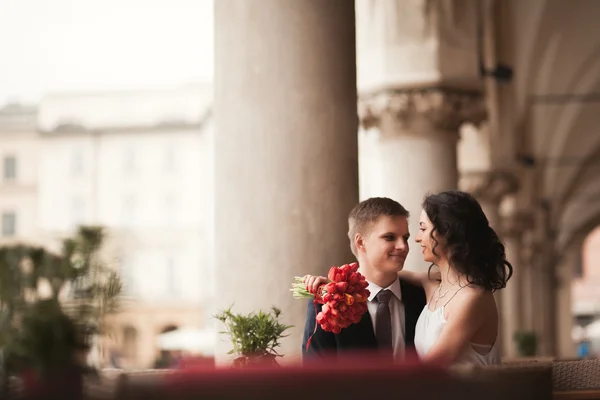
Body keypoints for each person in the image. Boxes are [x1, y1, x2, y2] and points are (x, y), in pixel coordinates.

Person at [304, 191, 512, 366]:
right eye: (389, 237)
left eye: (420, 229)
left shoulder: (466, 296)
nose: (409, 244)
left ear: (447, 233)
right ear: (361, 242)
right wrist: (337, 283)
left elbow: (428, 372)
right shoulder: (432, 286)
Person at [302, 197, 426, 362]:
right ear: (361, 242)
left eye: (405, 237)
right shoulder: (326, 302)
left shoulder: (423, 296)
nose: (403, 246)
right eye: (389, 237)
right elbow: (315, 376)